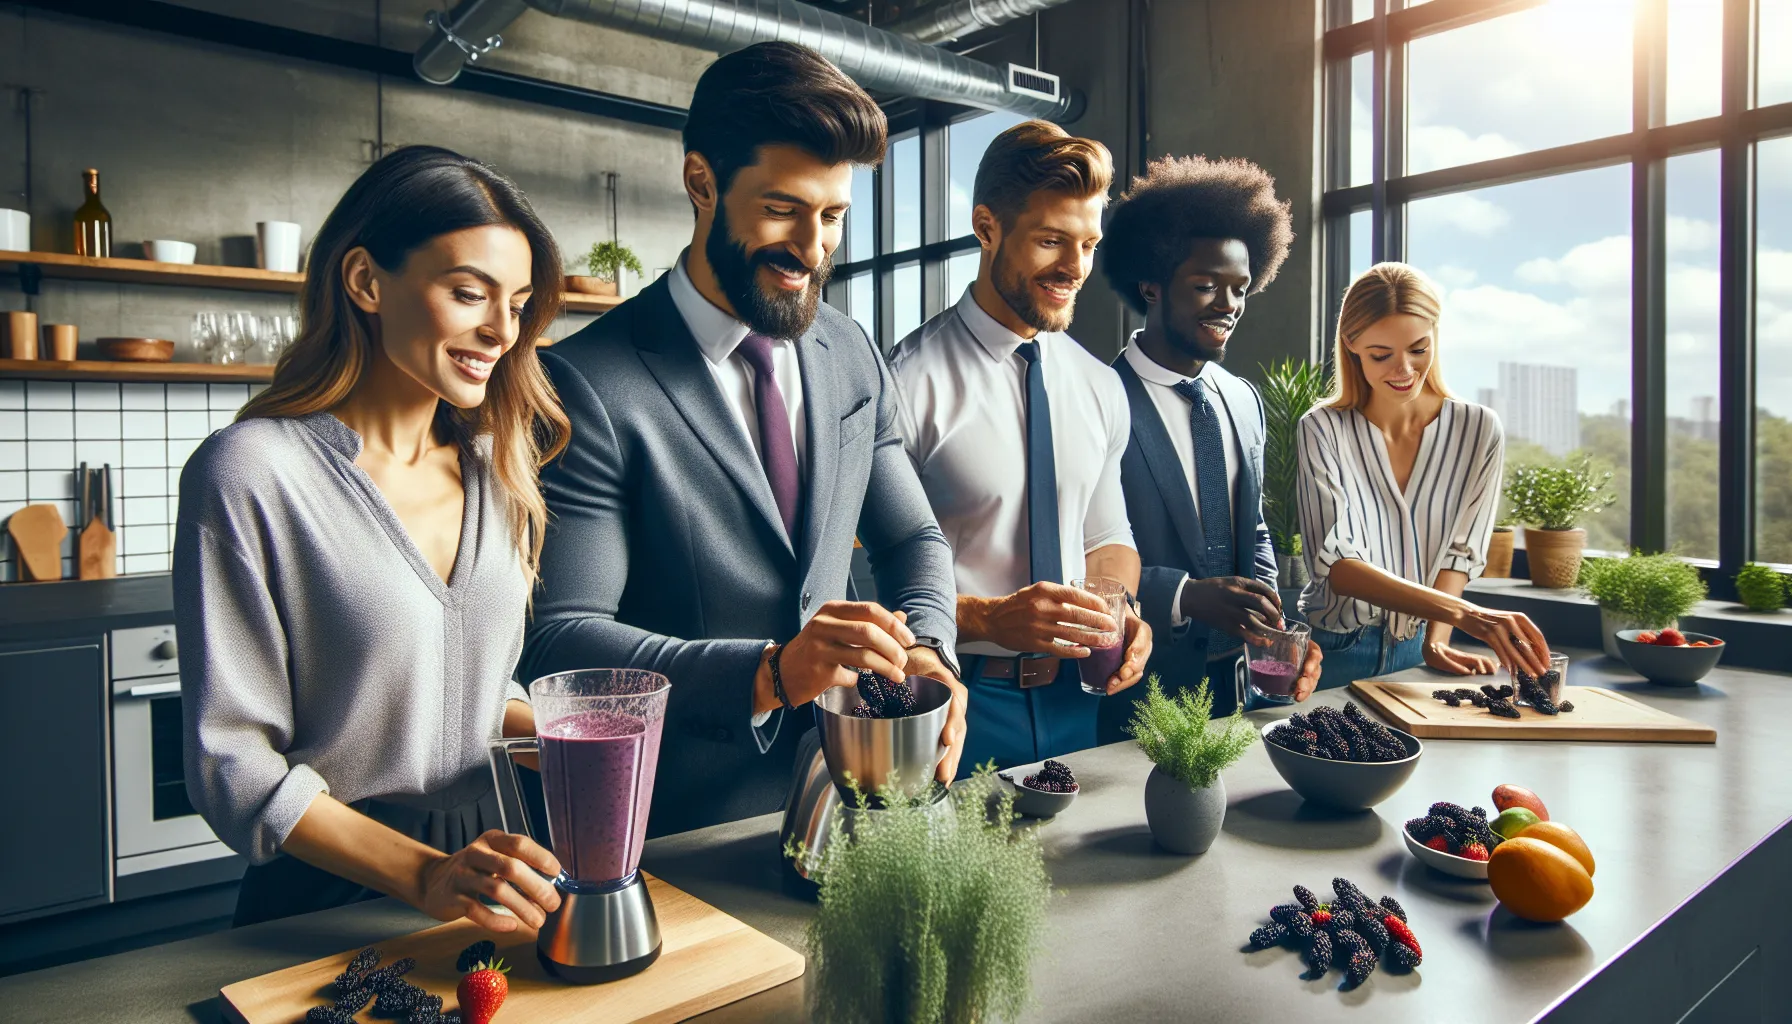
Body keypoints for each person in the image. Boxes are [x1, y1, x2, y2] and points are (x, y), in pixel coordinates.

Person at [520, 42, 964, 836]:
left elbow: (914, 538)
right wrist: (769, 673)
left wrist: (929, 648)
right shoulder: (584, 381)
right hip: (672, 835)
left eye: (832, 216)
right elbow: (564, 643)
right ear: (702, 183)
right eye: (783, 209)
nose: (815, 245)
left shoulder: (852, 352)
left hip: (850, 804)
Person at [174, 146, 569, 930]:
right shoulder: (249, 472)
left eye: (518, 304)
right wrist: (424, 875)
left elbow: (460, 685)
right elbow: (232, 762)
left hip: (493, 870)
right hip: (335, 887)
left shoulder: (498, 469)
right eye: (469, 293)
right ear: (365, 282)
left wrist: (571, 731)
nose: (500, 330)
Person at [891, 121, 1151, 774]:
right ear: (986, 228)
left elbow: (1108, 538)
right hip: (954, 696)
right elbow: (856, 581)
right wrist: (988, 617)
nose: (1075, 267)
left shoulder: (1099, 384)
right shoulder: (905, 382)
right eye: (1050, 241)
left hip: (1078, 698)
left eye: (1088, 243)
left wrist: (1120, 614)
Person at [1095, 155, 1324, 741]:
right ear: (1150, 283)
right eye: (1206, 286)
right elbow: (1075, 551)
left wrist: (1278, 622)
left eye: (1240, 288)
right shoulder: (1095, 397)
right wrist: (1184, 596)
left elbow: (1255, 527)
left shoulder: (1242, 399)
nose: (1229, 305)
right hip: (1138, 689)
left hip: (1244, 687)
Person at [1297, 262, 1552, 687]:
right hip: (1331, 654)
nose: (1404, 370)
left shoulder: (1479, 429)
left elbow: (1460, 550)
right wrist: (1469, 616)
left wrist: (1437, 640)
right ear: (1352, 344)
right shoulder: (1322, 427)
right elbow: (1337, 564)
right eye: (1382, 355)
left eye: (1419, 349)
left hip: (1417, 654)